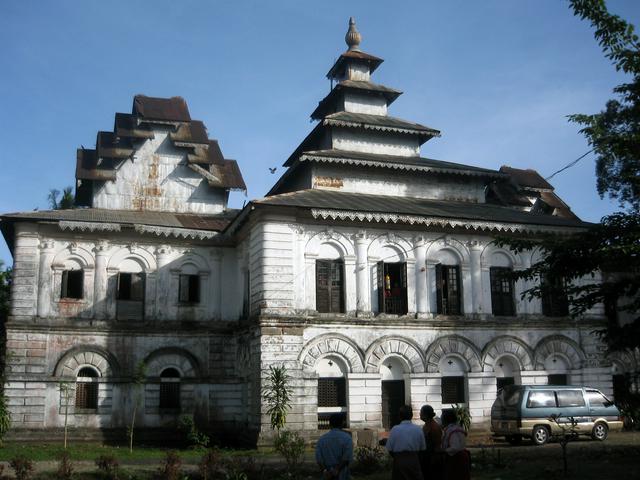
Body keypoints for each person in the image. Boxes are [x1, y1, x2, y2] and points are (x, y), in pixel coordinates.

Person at [386, 405, 426, 480]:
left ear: (399, 416)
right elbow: (422, 449)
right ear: (411, 415)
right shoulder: (418, 429)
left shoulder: (395, 429)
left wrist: (398, 457)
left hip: (399, 461)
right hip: (414, 460)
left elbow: (389, 449)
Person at [315, 413, 353, 480]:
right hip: (342, 475)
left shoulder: (321, 440)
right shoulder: (347, 438)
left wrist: (325, 471)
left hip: (327, 475)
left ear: (330, 424)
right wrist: (337, 470)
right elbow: (346, 458)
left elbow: (319, 459)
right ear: (342, 423)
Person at [440, 409, 470, 480]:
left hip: (456, 458)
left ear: (446, 420)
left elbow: (455, 447)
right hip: (459, 457)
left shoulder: (452, 430)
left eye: (442, 418)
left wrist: (444, 450)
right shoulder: (456, 428)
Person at [419, 405, 442, 480]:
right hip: (426, 457)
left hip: (432, 458)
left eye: (421, 412)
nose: (419, 414)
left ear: (425, 415)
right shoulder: (427, 425)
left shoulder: (434, 427)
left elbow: (437, 444)